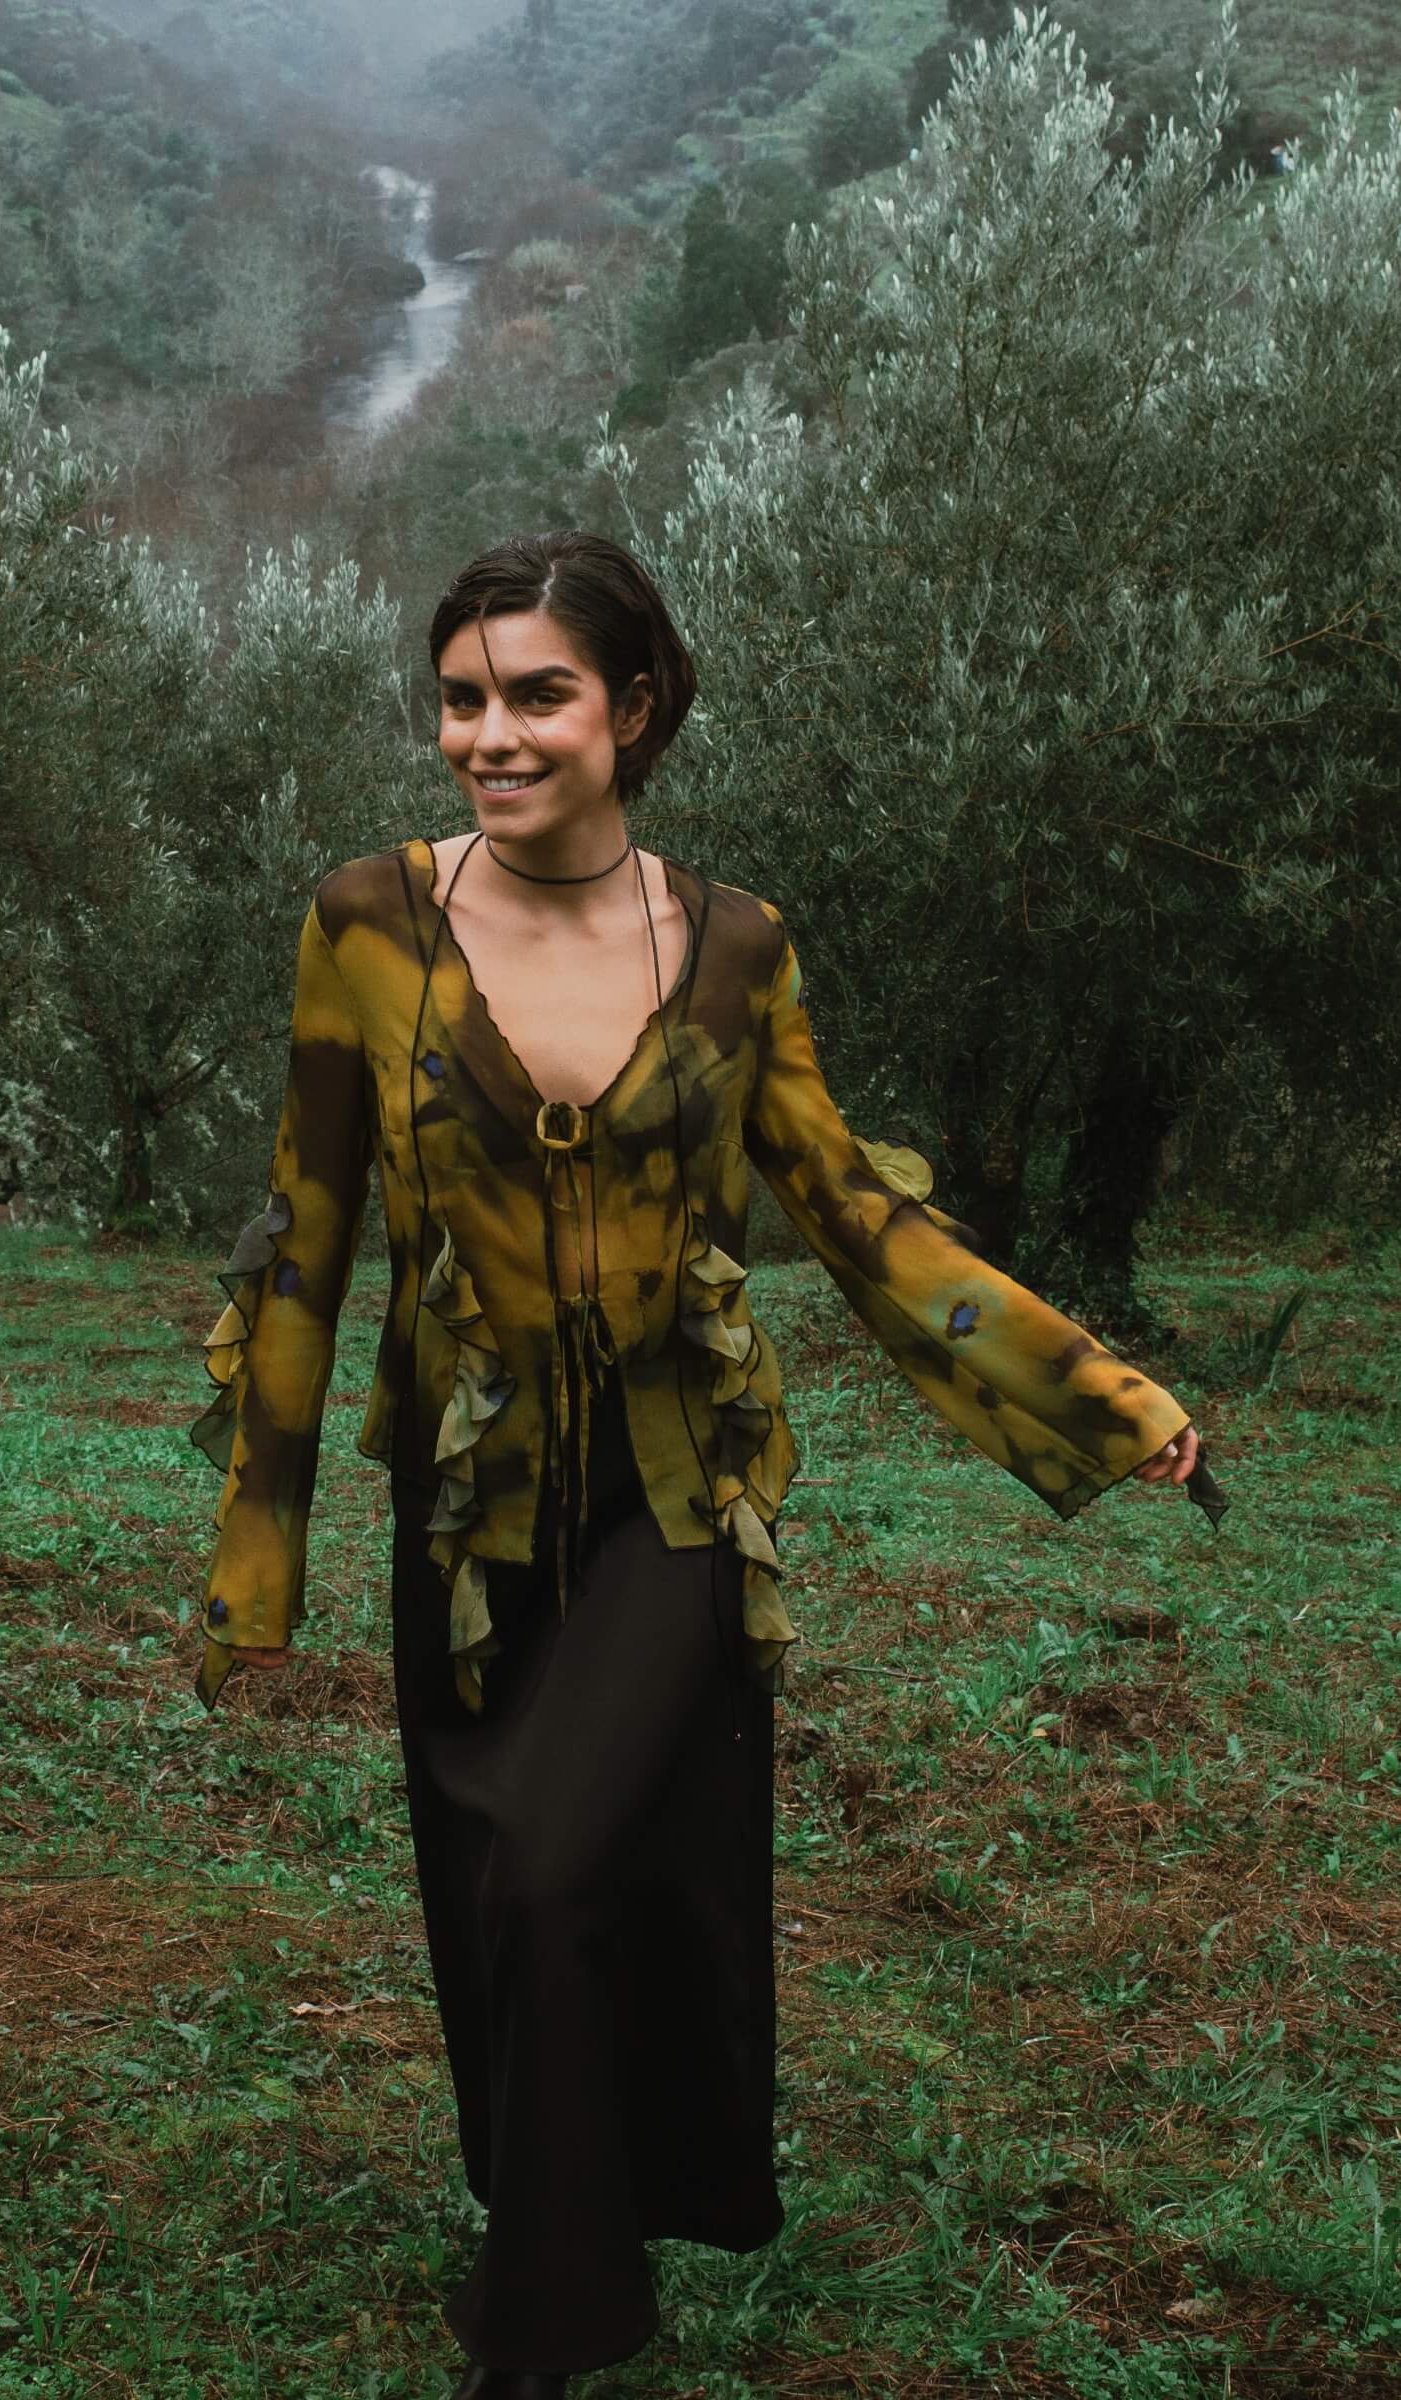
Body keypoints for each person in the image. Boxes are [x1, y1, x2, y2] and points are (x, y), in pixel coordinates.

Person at [187, 530, 1228, 2397]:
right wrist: (258, 1556)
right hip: (467, 1516)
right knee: (499, 1887)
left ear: (636, 705)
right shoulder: (365, 925)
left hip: (674, 1499)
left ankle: (543, 2329)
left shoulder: (735, 945)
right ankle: (570, 2230)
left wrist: (1099, 1395)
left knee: (549, 1870)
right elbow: (305, 1236)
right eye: (461, 700)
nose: (490, 737)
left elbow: (858, 1218)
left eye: (537, 695)